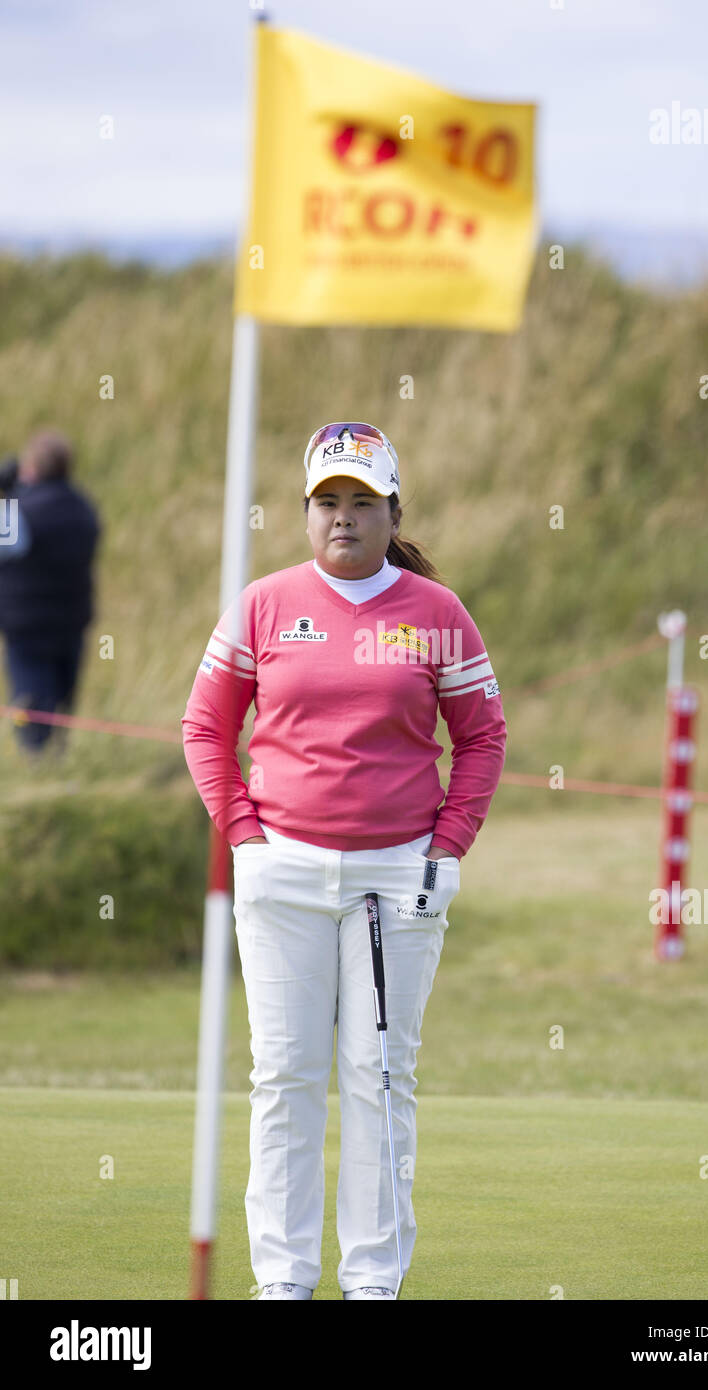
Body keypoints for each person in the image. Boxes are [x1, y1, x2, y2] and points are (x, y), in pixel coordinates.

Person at [181, 422, 506, 1301]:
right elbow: (205, 726)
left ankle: (372, 1285)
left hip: (398, 877)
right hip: (280, 870)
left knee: (379, 1076)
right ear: (305, 511)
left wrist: (448, 846)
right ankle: (282, 1285)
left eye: (363, 502)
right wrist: (242, 832)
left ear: (393, 510)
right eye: (328, 501)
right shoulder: (262, 604)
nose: (344, 518)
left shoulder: (437, 615)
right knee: (285, 1077)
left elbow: (481, 738)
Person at [0, 430, 101, 755]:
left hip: (27, 628)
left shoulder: (20, 513)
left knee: (30, 703)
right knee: (61, 701)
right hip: (71, 622)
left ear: (32, 467)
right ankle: (58, 761)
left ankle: (33, 762)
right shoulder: (84, 509)